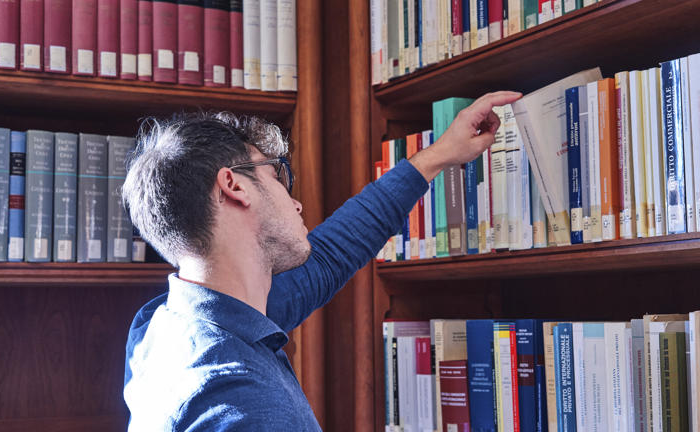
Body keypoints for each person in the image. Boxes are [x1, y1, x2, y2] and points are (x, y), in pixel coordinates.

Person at [122, 91, 522, 431]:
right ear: (234, 186)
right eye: (277, 176)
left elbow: (331, 254)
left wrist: (436, 157)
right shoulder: (244, 402)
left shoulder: (167, 324)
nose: (295, 202)